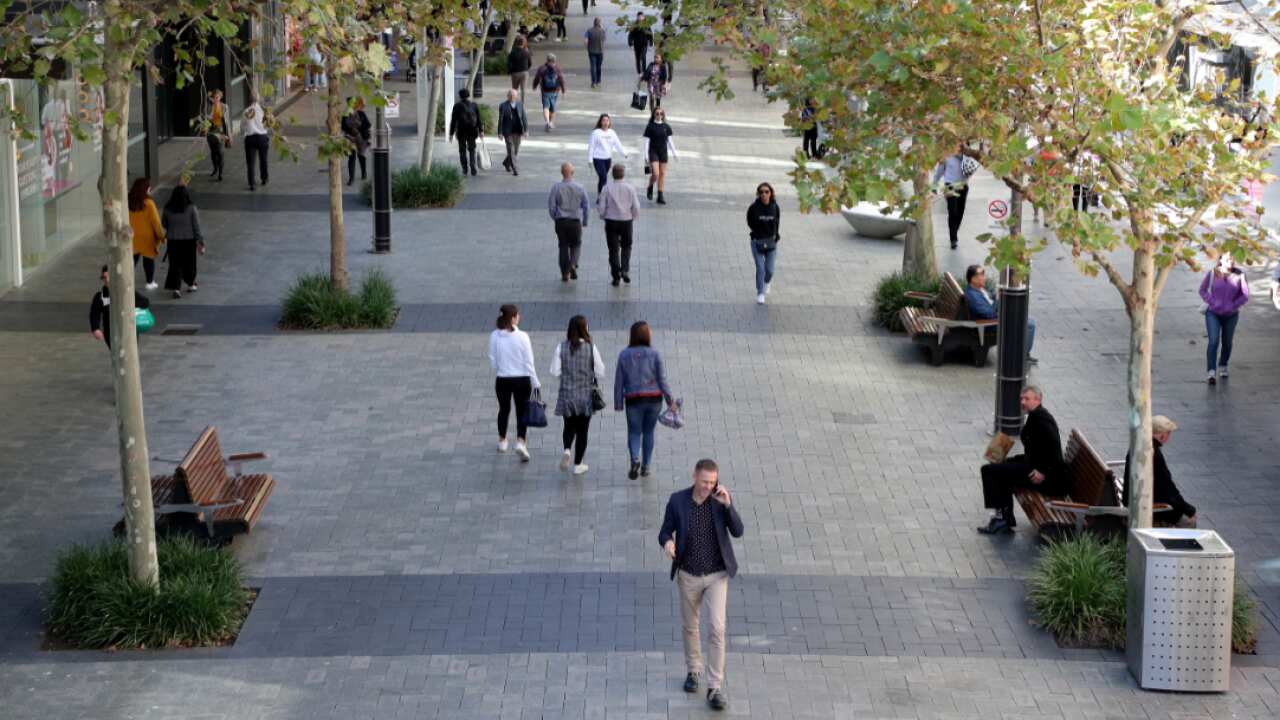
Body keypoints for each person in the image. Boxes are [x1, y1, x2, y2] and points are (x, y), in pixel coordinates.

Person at [658, 458, 744, 712]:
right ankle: (694, 670)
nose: (709, 487)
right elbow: (664, 531)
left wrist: (728, 505)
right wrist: (668, 543)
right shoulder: (678, 501)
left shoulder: (720, 500)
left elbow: (738, 531)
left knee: (717, 628)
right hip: (689, 573)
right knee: (690, 626)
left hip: (717, 574)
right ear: (695, 476)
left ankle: (714, 687)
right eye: (705, 481)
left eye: (712, 482)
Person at [977, 386, 1066, 535]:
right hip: (1033, 466)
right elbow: (1035, 451)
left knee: (989, 471)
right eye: (1021, 399)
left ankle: (1001, 519)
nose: (1023, 402)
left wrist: (1043, 472)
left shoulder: (1042, 419)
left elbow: (1054, 450)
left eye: (1027, 399)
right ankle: (1003, 518)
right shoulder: (1035, 416)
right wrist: (1008, 458)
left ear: (1038, 399)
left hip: (1046, 479)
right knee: (1000, 466)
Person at [614, 321, 674, 479]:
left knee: (634, 432)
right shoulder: (655, 354)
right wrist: (670, 400)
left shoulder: (624, 355)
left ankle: (635, 458)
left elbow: (619, 381)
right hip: (654, 399)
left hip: (633, 399)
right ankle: (646, 466)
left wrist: (618, 403)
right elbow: (662, 380)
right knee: (648, 432)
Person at [551, 315, 606, 475]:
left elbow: (555, 371)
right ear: (585, 329)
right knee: (583, 430)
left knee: (568, 426)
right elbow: (600, 371)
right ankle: (578, 464)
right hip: (585, 396)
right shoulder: (591, 347)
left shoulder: (561, 347)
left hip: (567, 395)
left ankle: (567, 449)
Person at [1122, 415, 1196, 528]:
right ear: (1160, 435)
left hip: (1132, 497)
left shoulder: (1139, 444)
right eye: (1168, 433)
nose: (1169, 436)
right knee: (1189, 522)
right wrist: (1189, 509)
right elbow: (1168, 488)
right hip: (1144, 505)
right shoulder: (1153, 453)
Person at [489, 304, 540, 462]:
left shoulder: (495, 335)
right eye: (517, 315)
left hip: (502, 379)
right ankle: (520, 442)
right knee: (521, 411)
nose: (519, 317)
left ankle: (502, 440)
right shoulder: (523, 336)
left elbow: (492, 359)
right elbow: (529, 361)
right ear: (512, 318)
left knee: (504, 410)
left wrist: (501, 369)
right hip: (522, 379)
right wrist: (535, 381)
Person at [963, 265, 1037, 363]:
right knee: (1029, 325)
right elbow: (989, 313)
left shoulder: (977, 289)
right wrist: (998, 299)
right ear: (973, 279)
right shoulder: (973, 295)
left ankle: (1021, 353)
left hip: (994, 319)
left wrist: (997, 296)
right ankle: (1023, 356)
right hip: (989, 325)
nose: (984, 277)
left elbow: (989, 301)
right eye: (981, 274)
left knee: (1026, 320)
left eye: (983, 273)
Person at [1200, 253, 1250, 385]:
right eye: (1228, 259)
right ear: (1221, 260)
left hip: (1231, 315)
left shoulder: (1240, 274)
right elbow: (1202, 290)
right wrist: (1213, 302)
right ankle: (1211, 371)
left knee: (1227, 342)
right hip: (1213, 313)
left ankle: (1223, 364)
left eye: (1233, 259)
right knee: (1213, 341)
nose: (1231, 261)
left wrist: (1233, 305)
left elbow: (1245, 295)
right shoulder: (1213, 273)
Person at [598, 164, 641, 286]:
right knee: (626, 246)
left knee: (613, 249)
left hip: (611, 221)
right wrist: (633, 216)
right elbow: (636, 206)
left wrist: (603, 216)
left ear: (612, 174)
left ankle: (616, 276)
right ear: (623, 174)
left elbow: (601, 206)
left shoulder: (606, 188)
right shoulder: (630, 188)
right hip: (626, 221)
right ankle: (625, 270)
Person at [90, 265, 151, 350]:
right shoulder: (100, 297)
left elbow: (145, 302)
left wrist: (128, 304)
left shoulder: (127, 291)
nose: (107, 280)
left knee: (129, 352)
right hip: (111, 332)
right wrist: (95, 328)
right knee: (117, 353)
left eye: (109, 277)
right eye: (104, 277)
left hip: (129, 331)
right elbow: (94, 314)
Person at [548, 162, 590, 282]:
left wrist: (555, 217)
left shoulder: (556, 187)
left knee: (563, 246)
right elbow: (586, 206)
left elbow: (551, 206)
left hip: (561, 221)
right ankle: (573, 264)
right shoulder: (580, 187)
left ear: (562, 173)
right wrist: (585, 220)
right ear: (572, 172)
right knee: (576, 244)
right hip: (575, 221)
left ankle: (565, 273)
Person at [160, 185, 203, 298]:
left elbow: (164, 223)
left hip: (173, 240)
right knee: (190, 262)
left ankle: (176, 288)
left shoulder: (167, 208)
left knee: (175, 264)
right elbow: (196, 226)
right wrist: (200, 240)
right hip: (189, 240)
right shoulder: (191, 208)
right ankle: (191, 284)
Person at [747, 182, 780, 305]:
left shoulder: (775, 207)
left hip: (771, 242)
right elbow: (750, 222)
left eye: (767, 192)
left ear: (771, 193)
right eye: (761, 192)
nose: (764, 194)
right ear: (758, 193)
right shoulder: (753, 208)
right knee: (760, 268)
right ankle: (760, 293)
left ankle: (767, 282)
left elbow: (777, 222)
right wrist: (757, 233)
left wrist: (775, 235)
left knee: (769, 270)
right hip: (757, 242)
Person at [128, 177, 164, 290]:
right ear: (145, 189)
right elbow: (156, 223)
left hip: (132, 236)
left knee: (132, 260)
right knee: (148, 260)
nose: (150, 189)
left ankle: (127, 280)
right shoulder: (149, 203)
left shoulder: (128, 201)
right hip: (147, 237)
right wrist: (162, 236)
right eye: (148, 187)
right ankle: (149, 282)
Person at [932, 150, 969, 249]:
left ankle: (954, 231)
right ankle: (953, 239)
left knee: (960, 212)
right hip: (950, 186)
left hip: (963, 186)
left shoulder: (966, 155)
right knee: (953, 212)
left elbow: (973, 167)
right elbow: (939, 172)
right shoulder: (946, 155)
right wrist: (934, 185)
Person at [587, 114, 628, 194]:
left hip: (608, 159)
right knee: (603, 177)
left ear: (609, 122)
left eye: (607, 120)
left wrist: (624, 153)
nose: (605, 122)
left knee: (602, 178)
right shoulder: (595, 133)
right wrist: (590, 160)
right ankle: (602, 196)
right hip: (598, 158)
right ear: (600, 122)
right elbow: (591, 147)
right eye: (603, 120)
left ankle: (601, 195)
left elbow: (617, 144)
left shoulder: (612, 132)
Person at [642, 107, 676, 204]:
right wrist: (646, 155)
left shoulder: (666, 127)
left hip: (663, 152)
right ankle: (650, 186)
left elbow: (670, 141)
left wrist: (674, 152)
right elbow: (646, 142)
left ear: (663, 115)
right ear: (654, 115)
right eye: (657, 113)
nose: (659, 115)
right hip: (653, 151)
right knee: (656, 173)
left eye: (661, 114)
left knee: (662, 174)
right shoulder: (650, 126)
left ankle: (660, 195)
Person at [449, 88, 482, 176]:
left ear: (460, 96)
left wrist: (451, 133)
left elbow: (453, 121)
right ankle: (472, 166)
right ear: (468, 95)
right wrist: (481, 131)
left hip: (461, 131)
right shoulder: (474, 105)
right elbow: (479, 119)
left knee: (462, 150)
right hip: (472, 131)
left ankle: (465, 168)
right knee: (472, 149)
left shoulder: (457, 106)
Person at [497, 88, 529, 175]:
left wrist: (526, 130)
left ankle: (506, 163)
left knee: (515, 150)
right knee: (510, 149)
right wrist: (500, 132)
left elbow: (524, 118)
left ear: (516, 96)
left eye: (514, 95)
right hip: (507, 131)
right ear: (507, 96)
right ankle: (515, 168)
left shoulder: (520, 104)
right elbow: (500, 120)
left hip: (518, 130)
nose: (512, 97)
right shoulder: (503, 105)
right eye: (510, 95)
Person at [242, 94, 270, 191]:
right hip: (262, 137)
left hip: (250, 138)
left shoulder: (246, 111)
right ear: (258, 99)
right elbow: (268, 124)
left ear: (249, 99)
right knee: (263, 159)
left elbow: (242, 127)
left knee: (250, 162)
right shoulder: (264, 110)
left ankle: (251, 183)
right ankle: (264, 178)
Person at [342, 97, 371, 185]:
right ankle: (351, 178)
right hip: (350, 138)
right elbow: (343, 127)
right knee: (351, 157)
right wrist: (351, 129)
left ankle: (364, 173)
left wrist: (358, 127)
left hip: (361, 137)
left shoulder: (361, 113)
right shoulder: (346, 114)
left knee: (361, 156)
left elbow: (368, 124)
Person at [533, 54, 566, 132]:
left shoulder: (542, 68)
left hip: (545, 91)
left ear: (547, 60)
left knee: (546, 107)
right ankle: (551, 122)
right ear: (555, 60)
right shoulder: (557, 68)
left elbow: (537, 78)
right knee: (553, 107)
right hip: (555, 91)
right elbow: (561, 79)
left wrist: (534, 86)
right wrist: (563, 91)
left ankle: (547, 122)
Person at [205, 90, 228, 181]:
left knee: (220, 152)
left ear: (220, 97)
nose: (216, 99)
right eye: (214, 97)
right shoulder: (210, 106)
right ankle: (215, 168)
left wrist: (228, 134)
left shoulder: (224, 106)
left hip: (220, 130)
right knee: (213, 152)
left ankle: (220, 173)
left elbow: (227, 121)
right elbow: (206, 117)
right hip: (211, 131)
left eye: (217, 97)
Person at [508, 35, 532, 102]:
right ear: (523, 43)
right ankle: (522, 102)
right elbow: (530, 63)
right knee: (523, 89)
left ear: (516, 43)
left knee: (514, 88)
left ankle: (513, 101)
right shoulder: (527, 52)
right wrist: (526, 68)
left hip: (515, 72)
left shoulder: (512, 52)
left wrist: (510, 71)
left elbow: (509, 63)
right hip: (524, 72)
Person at [585, 18, 606, 89]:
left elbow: (585, 41)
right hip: (600, 51)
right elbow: (603, 39)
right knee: (598, 67)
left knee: (593, 67)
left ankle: (593, 82)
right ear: (599, 23)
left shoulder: (589, 30)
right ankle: (598, 81)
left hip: (591, 51)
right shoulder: (602, 31)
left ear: (593, 23)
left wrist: (587, 47)